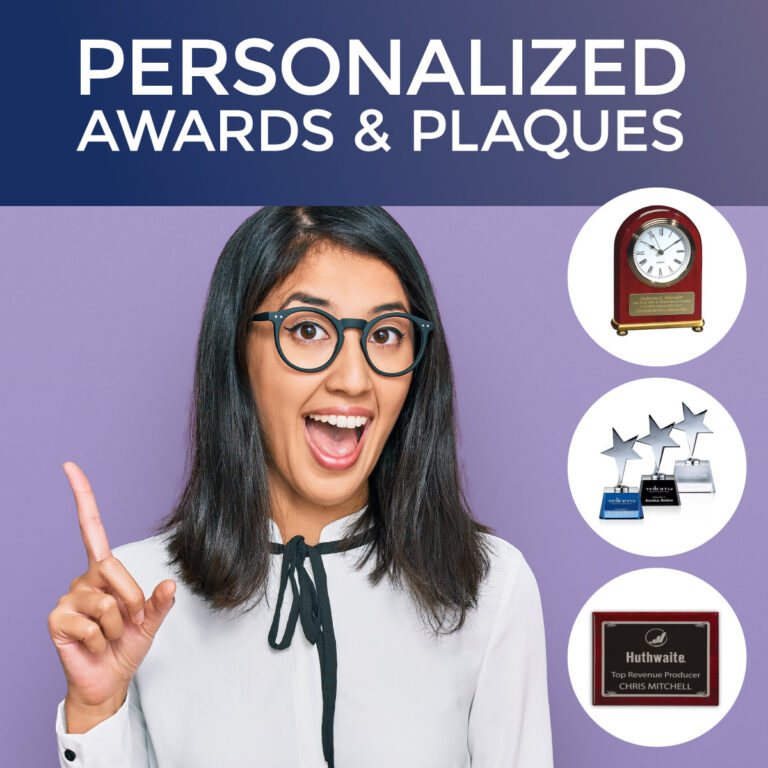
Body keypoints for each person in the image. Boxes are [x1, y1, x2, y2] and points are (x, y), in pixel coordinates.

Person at [48, 206, 553, 767]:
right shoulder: (135, 599)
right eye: (308, 331)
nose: (355, 379)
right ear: (237, 352)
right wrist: (95, 712)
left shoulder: (489, 585)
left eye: (386, 334)